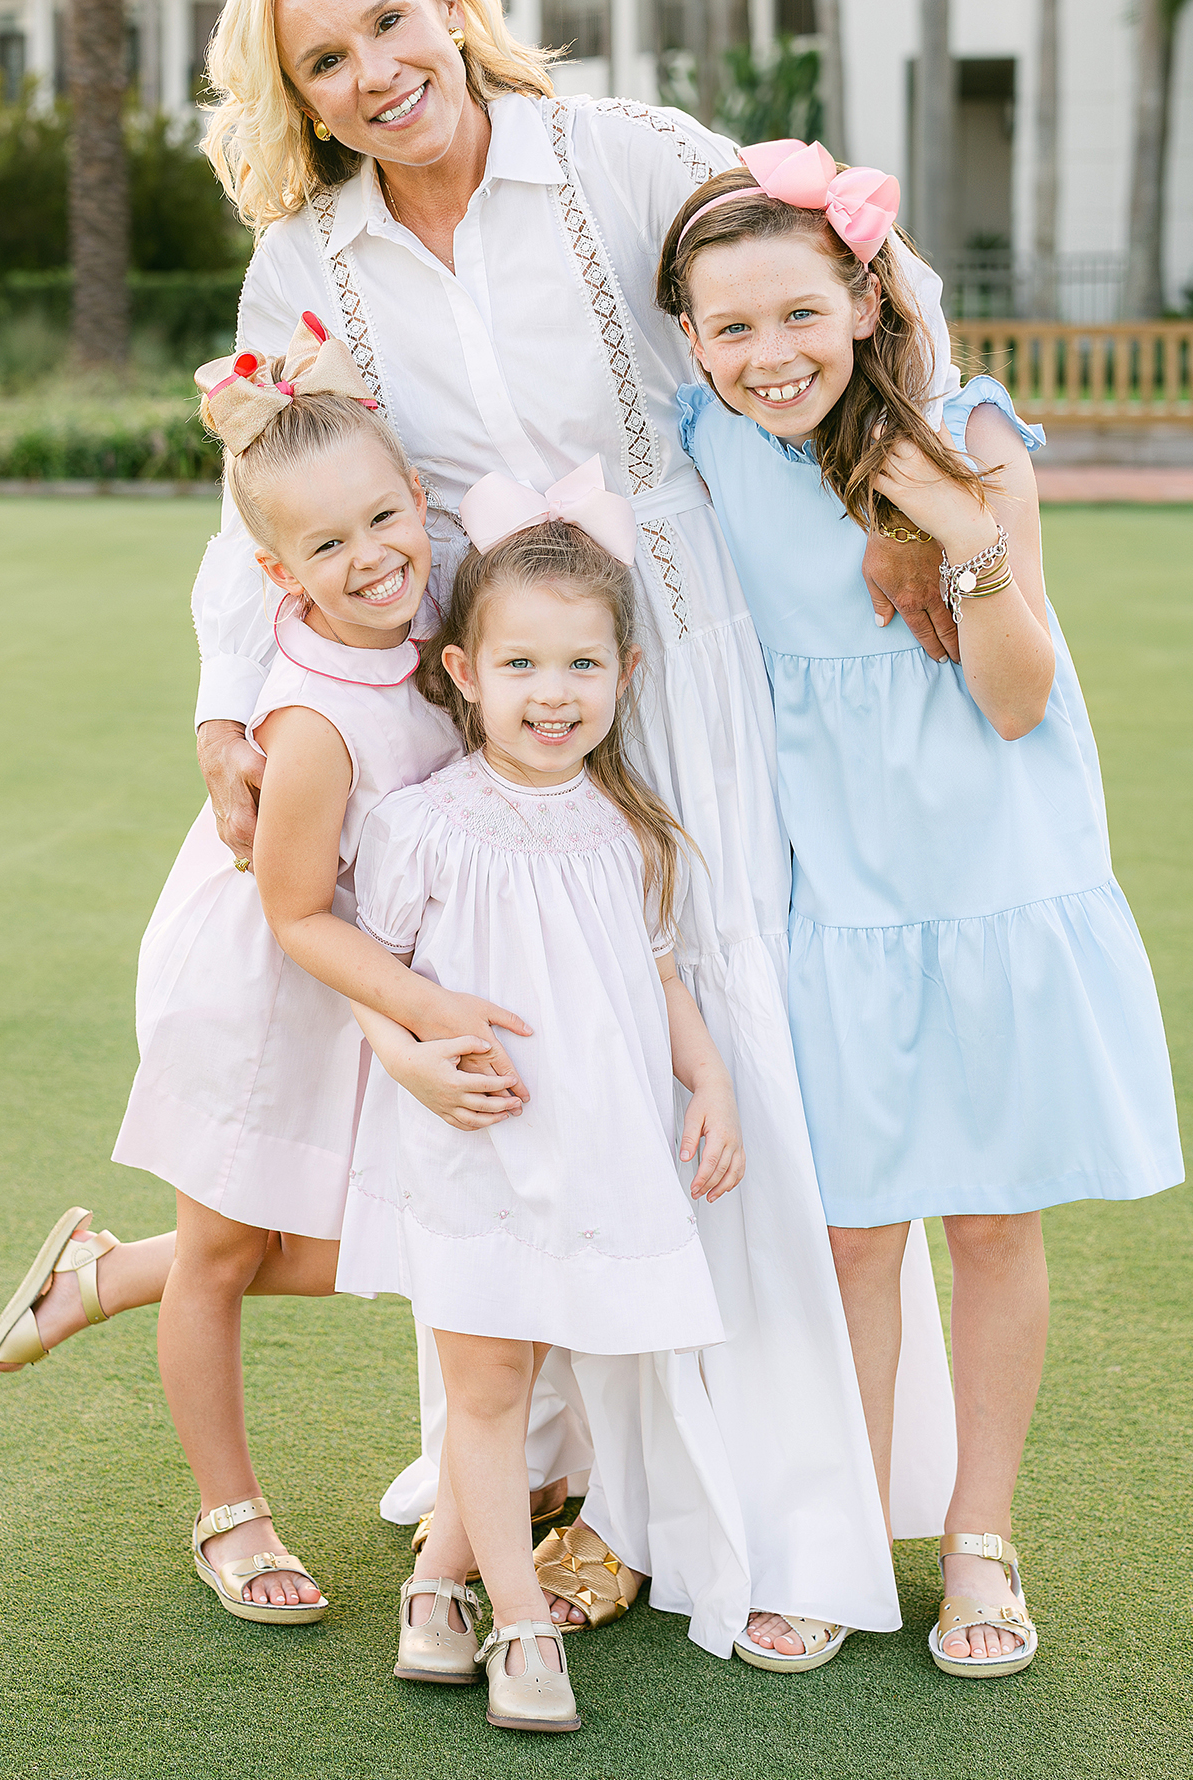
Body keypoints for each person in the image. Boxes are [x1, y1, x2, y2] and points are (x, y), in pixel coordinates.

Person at [188, 0, 960, 1663]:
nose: (375, 72)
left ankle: (753, 1506)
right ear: (297, 100)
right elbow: (267, 500)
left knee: (703, 1019)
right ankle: (544, 1459)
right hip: (480, 688)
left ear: (452, 4)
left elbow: (858, 281)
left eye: (390, 22)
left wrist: (924, 509)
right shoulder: (311, 263)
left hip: (674, 650)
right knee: (535, 1048)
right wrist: (227, 704)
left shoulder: (623, 152)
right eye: (325, 60)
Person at [658, 138, 1185, 1678]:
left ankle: (977, 1544)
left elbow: (1018, 702)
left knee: (990, 1220)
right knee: (849, 1237)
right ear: (689, 341)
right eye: (730, 326)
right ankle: (828, 1544)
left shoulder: (971, 438)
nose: (769, 355)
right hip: (833, 895)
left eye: (798, 316)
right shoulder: (699, 442)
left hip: (994, 877)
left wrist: (961, 540)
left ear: (865, 302)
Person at [0, 319, 531, 1625]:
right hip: (264, 983)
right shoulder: (311, 712)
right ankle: (230, 1512)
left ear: (420, 505)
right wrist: (419, 1005)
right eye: (326, 546)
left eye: (384, 519)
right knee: (226, 1250)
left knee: (360, 1247)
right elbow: (290, 909)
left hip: (344, 984)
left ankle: (102, 1277)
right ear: (278, 574)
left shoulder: (425, 639)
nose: (369, 557)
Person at [335, 502, 741, 1732]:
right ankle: (519, 1626)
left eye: (579, 665)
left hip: (592, 1154)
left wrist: (708, 1080)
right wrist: (407, 1062)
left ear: (624, 672)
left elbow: (656, 972)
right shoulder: (422, 824)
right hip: (472, 1146)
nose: (550, 694)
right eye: (517, 664)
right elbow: (366, 968)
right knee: (490, 1381)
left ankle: (432, 1585)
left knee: (524, 1367)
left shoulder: (628, 827)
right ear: (460, 675)